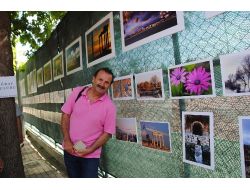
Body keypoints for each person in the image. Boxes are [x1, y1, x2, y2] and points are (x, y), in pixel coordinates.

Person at [61, 67, 116, 178]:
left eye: (106, 82)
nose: (102, 84)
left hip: (90, 156)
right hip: (70, 150)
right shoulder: (77, 92)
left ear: (109, 86)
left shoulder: (110, 106)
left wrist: (90, 150)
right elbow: (65, 115)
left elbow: (107, 133)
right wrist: (66, 140)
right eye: (100, 80)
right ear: (93, 79)